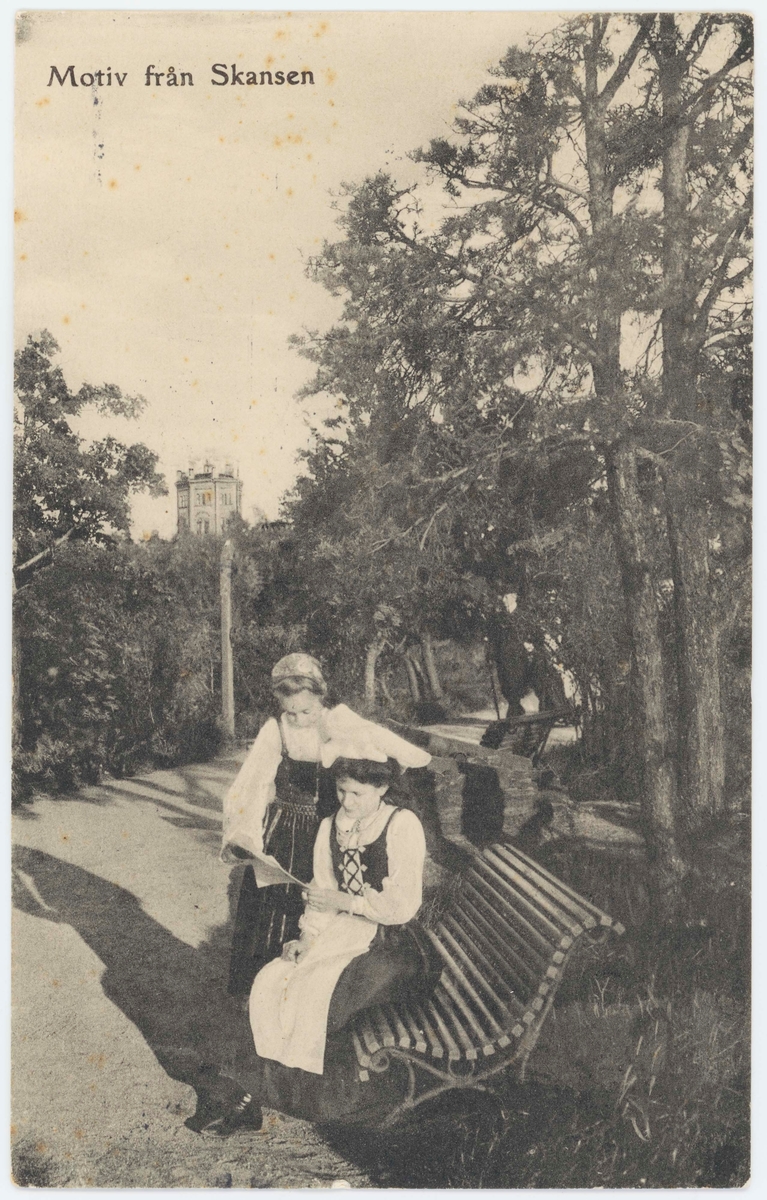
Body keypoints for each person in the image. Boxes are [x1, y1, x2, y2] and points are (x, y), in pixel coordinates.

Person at [205, 745, 441, 1136]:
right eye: (341, 790)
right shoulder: (332, 825)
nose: (347, 801)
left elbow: (402, 906)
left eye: (357, 793)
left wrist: (345, 902)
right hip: (340, 933)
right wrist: (307, 937)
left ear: (382, 787)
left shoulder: (402, 825)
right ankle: (253, 1096)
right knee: (274, 979)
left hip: (392, 944)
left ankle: (325, 1101)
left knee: (322, 996)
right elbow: (321, 890)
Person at [223, 653, 432, 996]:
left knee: (324, 895)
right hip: (286, 828)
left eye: (307, 711)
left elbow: (382, 744)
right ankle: (259, 987)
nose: (299, 719)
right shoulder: (276, 730)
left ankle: (308, 982)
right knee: (273, 901)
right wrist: (244, 831)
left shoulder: (337, 721)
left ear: (321, 698)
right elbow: (252, 783)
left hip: (329, 825)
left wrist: (404, 761)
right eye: (291, 712)